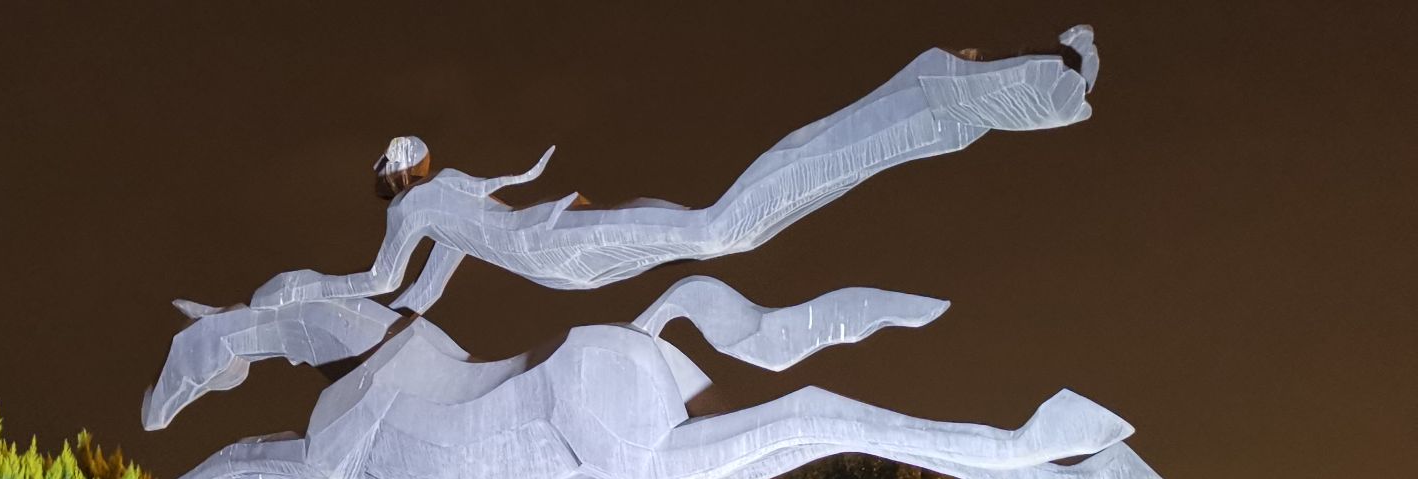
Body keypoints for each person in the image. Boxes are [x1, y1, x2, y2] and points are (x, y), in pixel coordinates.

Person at [247, 25, 1100, 318]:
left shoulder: (439, 200)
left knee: (727, 230)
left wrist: (544, 191)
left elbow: (430, 279)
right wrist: (302, 292)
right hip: (561, 251)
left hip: (565, 248)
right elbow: (396, 285)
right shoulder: (413, 214)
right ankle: (926, 102)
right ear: (399, 175)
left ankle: (927, 112)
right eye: (404, 157)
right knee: (722, 229)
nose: (414, 155)